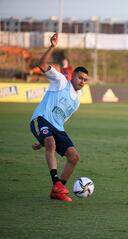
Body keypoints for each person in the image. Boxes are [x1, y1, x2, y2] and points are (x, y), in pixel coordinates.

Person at [29, 32, 89, 202]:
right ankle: (56, 183)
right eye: (80, 77)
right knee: (51, 142)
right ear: (73, 76)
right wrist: (52, 47)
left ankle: (58, 190)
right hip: (40, 118)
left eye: (85, 80)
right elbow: (42, 64)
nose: (82, 81)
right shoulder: (61, 81)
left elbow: (61, 122)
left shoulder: (76, 102)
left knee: (74, 156)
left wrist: (41, 141)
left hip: (57, 127)